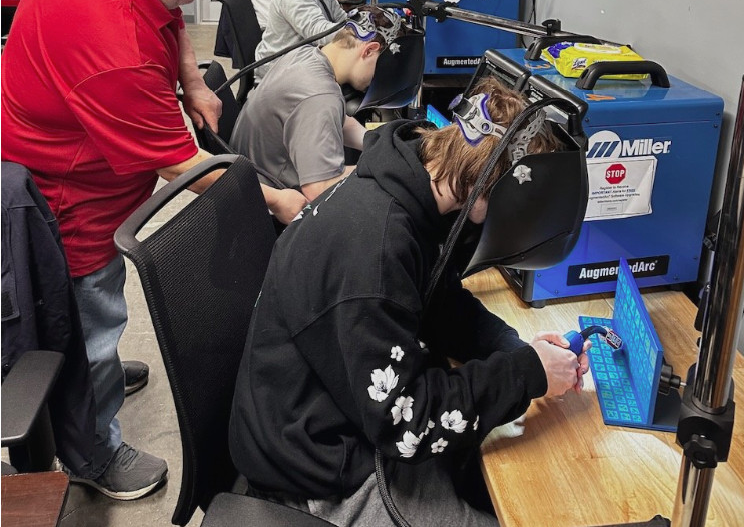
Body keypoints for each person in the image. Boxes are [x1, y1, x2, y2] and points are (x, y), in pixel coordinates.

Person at [0, 0, 306, 501]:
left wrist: (192, 82)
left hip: (81, 149)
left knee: (98, 322)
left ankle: (98, 374)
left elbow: (164, 17)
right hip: (67, 194)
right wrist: (276, 200)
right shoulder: (111, 48)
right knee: (94, 314)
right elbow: (185, 170)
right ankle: (94, 451)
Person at [229, 76, 590, 526]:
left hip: (343, 415)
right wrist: (527, 375)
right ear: (497, 187)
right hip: (321, 468)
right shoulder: (374, 250)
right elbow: (409, 427)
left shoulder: (409, 184)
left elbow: (437, 298)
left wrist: (516, 351)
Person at [231, 6, 407, 201]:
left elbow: (338, 120)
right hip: (275, 206)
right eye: (380, 70)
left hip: (251, 184)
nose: (375, 79)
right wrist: (387, 169)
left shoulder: (306, 55)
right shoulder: (320, 96)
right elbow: (320, 188)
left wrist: (377, 143)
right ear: (369, 51)